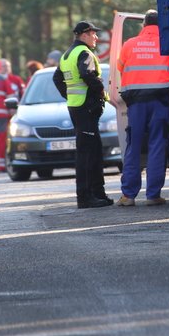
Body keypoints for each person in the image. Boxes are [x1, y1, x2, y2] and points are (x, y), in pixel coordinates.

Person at [114, 10, 169, 207]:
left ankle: (128, 196)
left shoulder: (129, 44)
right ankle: (153, 195)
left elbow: (120, 67)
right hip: (161, 101)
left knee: (133, 145)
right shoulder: (168, 43)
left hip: (136, 103)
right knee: (157, 145)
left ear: (143, 26)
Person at [53, 22, 113, 208]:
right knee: (87, 153)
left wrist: (68, 95)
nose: (96, 37)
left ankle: (97, 193)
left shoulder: (67, 54)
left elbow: (57, 78)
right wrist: (100, 92)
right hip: (85, 108)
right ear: (84, 35)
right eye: (93, 34)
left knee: (92, 150)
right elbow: (87, 74)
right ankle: (86, 197)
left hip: (76, 107)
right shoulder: (84, 53)